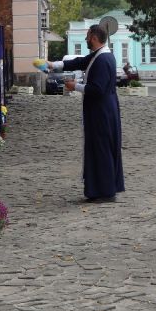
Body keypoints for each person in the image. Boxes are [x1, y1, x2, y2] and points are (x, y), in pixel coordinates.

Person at [47, 25, 124, 201]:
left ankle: (105, 191)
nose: (85, 39)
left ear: (95, 38)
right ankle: (99, 189)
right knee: (98, 147)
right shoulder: (100, 55)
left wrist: (75, 86)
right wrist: (53, 65)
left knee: (101, 148)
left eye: (88, 36)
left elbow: (97, 89)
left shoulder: (103, 59)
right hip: (101, 109)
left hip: (102, 111)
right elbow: (80, 62)